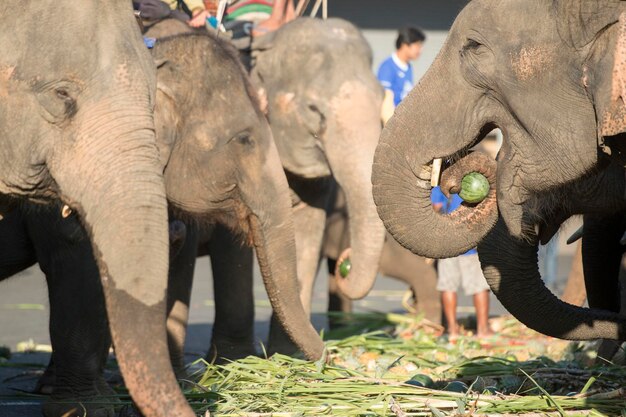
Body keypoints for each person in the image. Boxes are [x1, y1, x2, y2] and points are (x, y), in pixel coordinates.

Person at [377, 27, 426, 124]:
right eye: (417, 45)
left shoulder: (408, 67)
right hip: (391, 125)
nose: (420, 50)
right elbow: (385, 103)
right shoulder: (387, 67)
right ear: (405, 45)